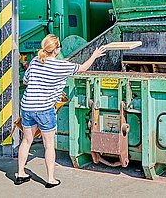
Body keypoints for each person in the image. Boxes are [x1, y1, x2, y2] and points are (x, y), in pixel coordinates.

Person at [15, 34, 106, 187]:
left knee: (26, 140)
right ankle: (50, 179)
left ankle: (20, 173)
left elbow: (26, 80)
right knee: (49, 144)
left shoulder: (35, 61)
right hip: (44, 109)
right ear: (56, 50)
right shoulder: (60, 66)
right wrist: (94, 55)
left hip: (27, 107)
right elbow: (83, 68)